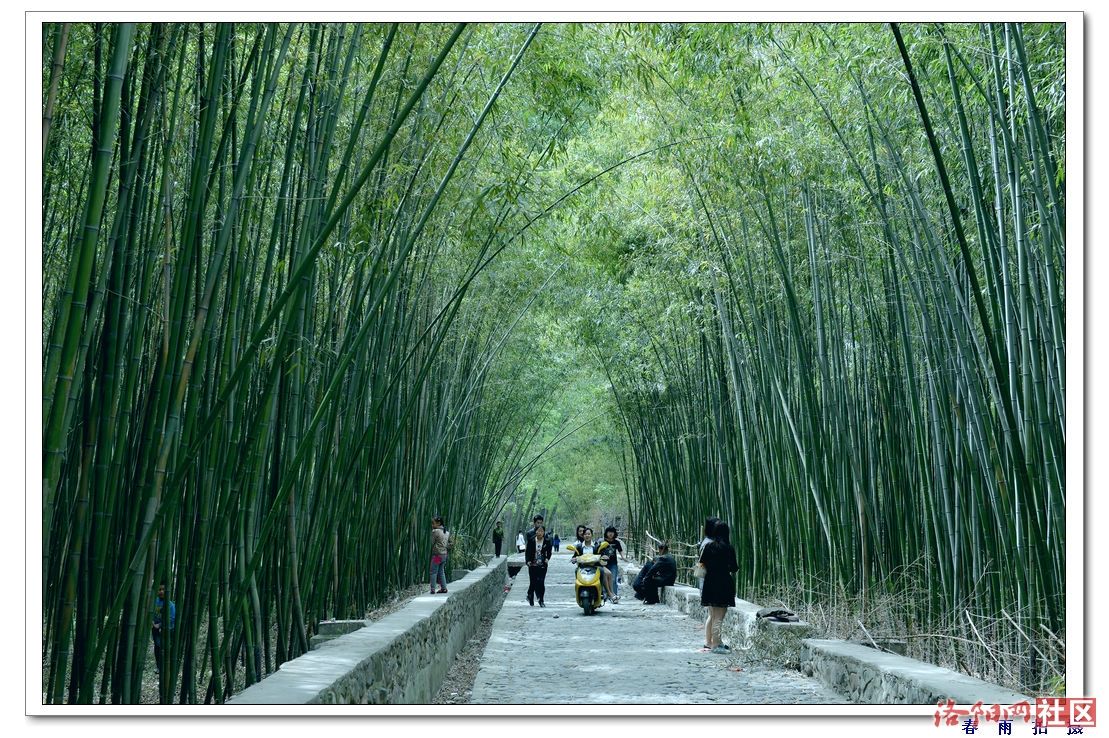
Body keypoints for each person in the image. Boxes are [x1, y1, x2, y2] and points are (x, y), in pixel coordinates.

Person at [699, 521, 739, 654]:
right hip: (723, 582)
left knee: (711, 614)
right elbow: (734, 568)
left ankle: (709, 642)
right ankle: (716, 644)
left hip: (709, 582)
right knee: (720, 615)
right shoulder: (728, 548)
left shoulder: (708, 546)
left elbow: (702, 563)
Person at [571, 527, 618, 602]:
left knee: (606, 572)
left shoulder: (596, 545)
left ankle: (609, 593)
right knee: (576, 570)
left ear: (591, 535)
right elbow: (575, 556)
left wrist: (604, 557)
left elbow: (601, 553)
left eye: (589, 534)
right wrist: (573, 559)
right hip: (583, 567)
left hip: (595, 566)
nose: (587, 535)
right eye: (585, 534)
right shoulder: (579, 547)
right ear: (583, 536)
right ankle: (578, 590)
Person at [525, 524, 553, 607]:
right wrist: (528, 561)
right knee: (533, 582)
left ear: (544, 532)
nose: (540, 533)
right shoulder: (531, 540)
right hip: (533, 564)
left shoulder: (547, 541)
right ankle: (530, 595)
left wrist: (547, 558)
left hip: (542, 564)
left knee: (541, 582)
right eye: (538, 531)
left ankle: (541, 600)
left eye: (541, 531)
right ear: (535, 531)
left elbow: (549, 552)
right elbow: (527, 552)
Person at [152, 583, 175, 675]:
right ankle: (158, 666)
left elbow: (172, 618)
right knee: (157, 646)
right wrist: (152, 622)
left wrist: (160, 625)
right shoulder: (154, 601)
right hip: (155, 629)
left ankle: (167, 667)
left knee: (166, 647)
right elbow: (150, 613)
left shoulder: (170, 605)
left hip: (167, 630)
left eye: (163, 589)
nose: (161, 591)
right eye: (159, 589)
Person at [602, 526, 625, 598]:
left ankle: (614, 594)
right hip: (604, 563)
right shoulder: (603, 542)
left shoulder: (616, 542)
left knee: (613, 578)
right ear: (606, 533)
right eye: (609, 532)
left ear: (614, 533)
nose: (610, 534)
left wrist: (623, 557)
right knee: (604, 578)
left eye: (612, 532)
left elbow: (620, 550)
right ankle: (605, 594)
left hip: (613, 563)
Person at [430, 516, 449, 594]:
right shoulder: (447, 532)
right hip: (444, 555)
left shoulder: (435, 531)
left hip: (437, 555)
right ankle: (444, 588)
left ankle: (433, 589)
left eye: (433, 523)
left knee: (433, 572)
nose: (432, 525)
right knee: (441, 572)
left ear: (438, 523)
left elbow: (432, 542)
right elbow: (450, 544)